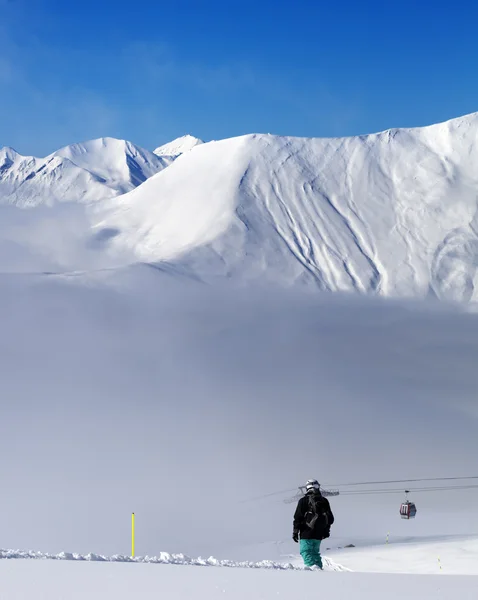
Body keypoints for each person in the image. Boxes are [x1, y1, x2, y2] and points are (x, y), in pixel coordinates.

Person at [292, 479, 334, 569]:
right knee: (315, 553)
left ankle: (313, 572)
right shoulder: (324, 501)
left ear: (307, 488)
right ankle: (319, 570)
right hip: (319, 534)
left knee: (306, 552)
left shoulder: (303, 501)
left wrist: (295, 532)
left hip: (306, 532)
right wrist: (326, 530)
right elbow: (330, 518)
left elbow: (298, 517)